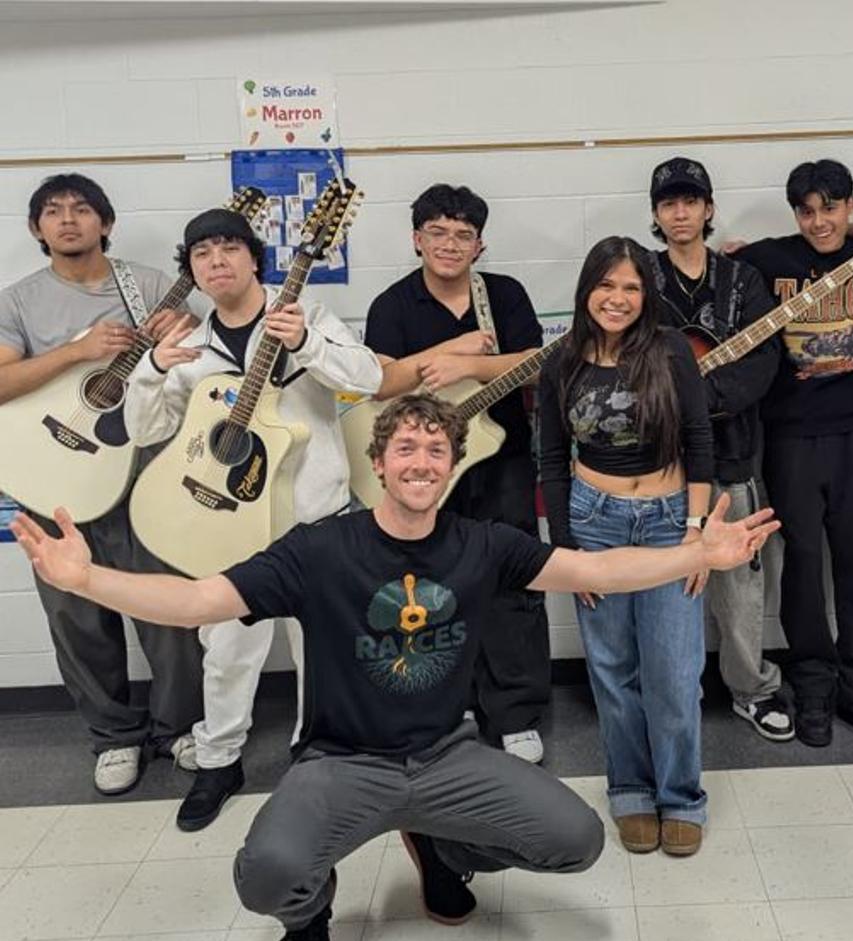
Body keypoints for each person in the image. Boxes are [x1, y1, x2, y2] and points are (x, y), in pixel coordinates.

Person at [11, 392, 778, 941]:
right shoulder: (320, 550)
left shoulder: (485, 545)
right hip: (341, 762)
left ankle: (442, 844)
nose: (421, 460)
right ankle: (309, 918)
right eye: (405, 446)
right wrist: (86, 580)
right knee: (266, 874)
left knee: (574, 840)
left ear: (451, 468)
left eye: (436, 449)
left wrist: (694, 550)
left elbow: (598, 573)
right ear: (380, 463)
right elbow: (201, 600)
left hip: (447, 755)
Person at [124, 207, 382, 830]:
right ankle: (219, 761)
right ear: (191, 270)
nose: (216, 262)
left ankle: (314, 753)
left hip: (314, 516)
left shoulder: (306, 316)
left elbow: (369, 377)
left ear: (253, 257)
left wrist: (306, 344)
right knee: (227, 646)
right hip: (225, 521)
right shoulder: (188, 345)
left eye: (228, 248)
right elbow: (142, 428)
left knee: (319, 646)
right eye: (201, 254)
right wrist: (154, 368)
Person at [0, 173, 204, 794]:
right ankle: (115, 737)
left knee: (167, 609)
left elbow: (202, 365)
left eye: (82, 209)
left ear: (105, 223)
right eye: (53, 212)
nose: (68, 220)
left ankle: (178, 729)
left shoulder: (146, 287)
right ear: (37, 228)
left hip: (141, 475)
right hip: (52, 479)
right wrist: (75, 352)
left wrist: (179, 338)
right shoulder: (18, 301)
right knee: (76, 616)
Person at [539, 236, 716, 856]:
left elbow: (699, 440)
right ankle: (632, 792)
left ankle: (681, 796)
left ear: (647, 295)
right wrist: (566, 553)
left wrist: (696, 534)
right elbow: (553, 460)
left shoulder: (670, 352)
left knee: (674, 672)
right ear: (588, 289)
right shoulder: (561, 360)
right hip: (595, 521)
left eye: (631, 288)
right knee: (613, 671)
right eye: (606, 285)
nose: (617, 299)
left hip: (670, 521)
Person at [365, 184, 551, 764]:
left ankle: (516, 713)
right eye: (438, 233)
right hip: (422, 471)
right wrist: (452, 346)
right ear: (417, 239)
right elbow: (382, 382)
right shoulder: (391, 306)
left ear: (480, 244)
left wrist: (468, 363)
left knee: (513, 581)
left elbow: (535, 364)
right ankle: (449, 707)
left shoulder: (505, 295)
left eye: (463, 235)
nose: (451, 244)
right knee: (430, 587)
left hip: (504, 461)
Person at [734, 159, 853, 752]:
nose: (819, 222)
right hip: (789, 439)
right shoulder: (767, 261)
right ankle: (813, 682)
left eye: (831, 207)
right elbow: (707, 269)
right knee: (803, 566)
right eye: (807, 210)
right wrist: (731, 249)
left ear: (851, 205)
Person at [646, 156, 792, 741]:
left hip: (733, 451)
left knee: (738, 584)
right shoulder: (638, 276)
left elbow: (765, 360)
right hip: (654, 462)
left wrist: (697, 402)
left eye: (690, 201)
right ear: (656, 214)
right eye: (668, 203)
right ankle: (668, 690)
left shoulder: (743, 279)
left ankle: (751, 689)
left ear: (708, 209)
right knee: (661, 580)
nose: (680, 213)